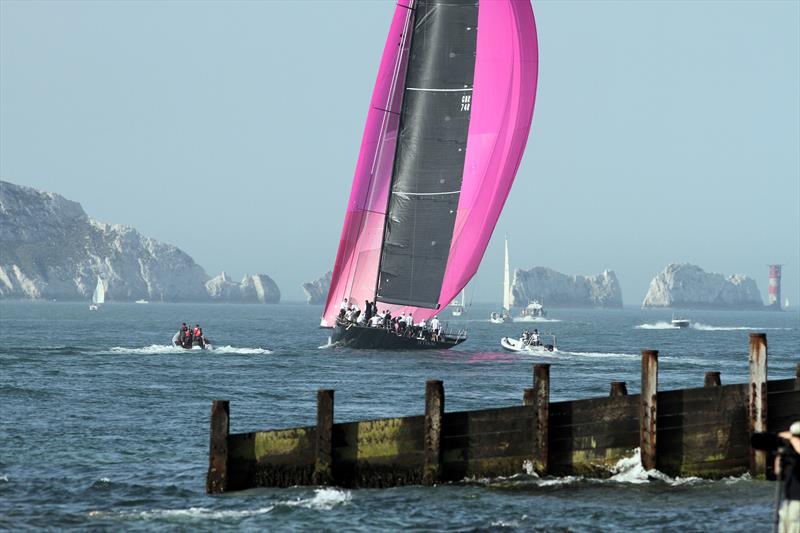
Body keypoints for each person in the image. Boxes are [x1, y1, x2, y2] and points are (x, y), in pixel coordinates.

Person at [775, 421, 800, 532]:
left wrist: (792, 439)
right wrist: (781, 452)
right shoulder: (791, 456)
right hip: (787, 502)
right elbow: (777, 471)